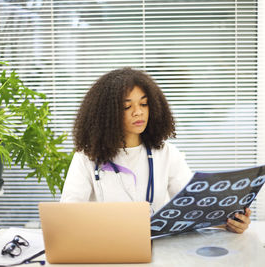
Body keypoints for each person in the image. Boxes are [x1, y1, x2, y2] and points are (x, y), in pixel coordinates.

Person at [60, 67, 251, 234]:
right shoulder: (86, 158)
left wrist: (229, 223)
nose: (138, 112)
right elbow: (66, 218)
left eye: (144, 104)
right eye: (127, 106)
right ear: (106, 114)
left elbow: (197, 208)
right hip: (107, 248)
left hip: (158, 250)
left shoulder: (166, 154)